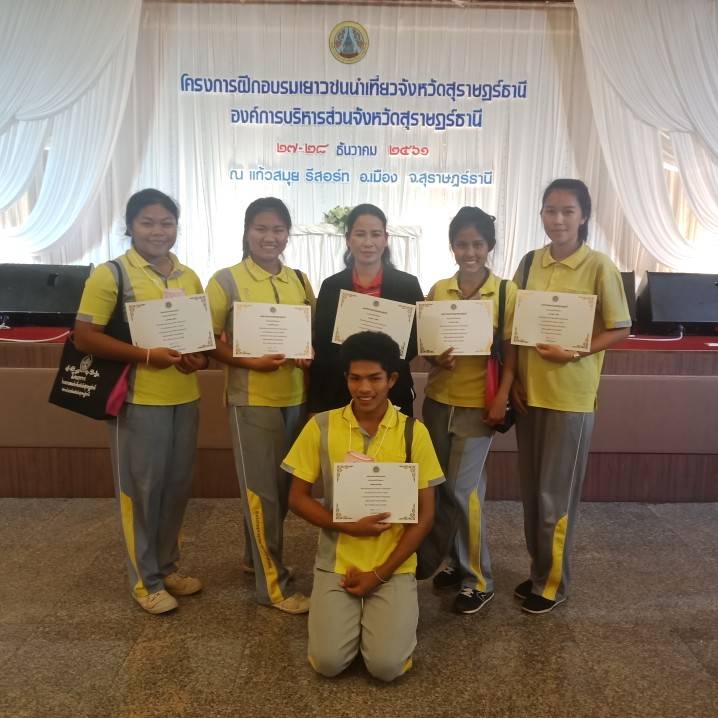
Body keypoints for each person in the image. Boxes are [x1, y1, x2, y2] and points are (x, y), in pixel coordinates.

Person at [74, 188, 207, 614]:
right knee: (141, 491)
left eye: (166, 222)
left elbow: (198, 339)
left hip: (184, 397)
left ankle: (166, 567)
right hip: (137, 400)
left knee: (176, 488)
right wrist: (146, 356)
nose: (158, 231)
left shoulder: (189, 276)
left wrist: (197, 359)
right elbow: (84, 337)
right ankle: (143, 580)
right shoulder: (111, 274)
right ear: (130, 226)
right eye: (147, 222)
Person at [284, 331, 444, 682]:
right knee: (327, 663)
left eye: (375, 378)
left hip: (393, 564)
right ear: (346, 379)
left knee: (386, 667)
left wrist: (380, 574)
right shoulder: (321, 426)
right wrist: (346, 526)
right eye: (355, 378)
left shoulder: (414, 432)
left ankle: (381, 618)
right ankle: (353, 621)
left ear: (392, 380)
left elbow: (426, 514)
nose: (364, 388)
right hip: (337, 562)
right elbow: (297, 497)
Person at [511, 179, 631, 614]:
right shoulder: (529, 263)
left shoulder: (599, 266)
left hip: (571, 399)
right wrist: (514, 380)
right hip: (530, 396)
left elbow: (620, 328)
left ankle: (553, 584)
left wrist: (575, 352)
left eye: (567, 211)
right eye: (550, 210)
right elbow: (515, 327)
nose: (558, 219)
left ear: (583, 216)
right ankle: (539, 571)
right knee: (532, 495)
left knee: (555, 498)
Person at [206, 197, 315, 614]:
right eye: (261, 229)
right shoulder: (226, 280)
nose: (270, 237)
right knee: (262, 493)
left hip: (294, 399)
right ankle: (273, 588)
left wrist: (306, 355)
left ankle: (255, 559)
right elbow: (207, 339)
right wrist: (247, 361)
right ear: (247, 231)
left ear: (288, 234)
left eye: (278, 230)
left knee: (283, 491)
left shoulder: (299, 280)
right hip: (251, 400)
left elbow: (308, 335)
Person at [421, 207, 517, 614]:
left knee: (465, 491)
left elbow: (512, 354)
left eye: (477, 244)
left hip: (478, 406)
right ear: (452, 247)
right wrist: (435, 358)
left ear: (489, 246)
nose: (470, 252)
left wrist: (501, 397)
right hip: (438, 401)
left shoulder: (506, 292)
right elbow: (427, 348)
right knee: (443, 487)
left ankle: (479, 579)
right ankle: (454, 561)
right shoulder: (439, 289)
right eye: (462, 244)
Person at [308, 204, 424, 416]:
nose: (368, 242)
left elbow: (415, 340)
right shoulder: (332, 286)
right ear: (348, 239)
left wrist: (381, 363)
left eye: (376, 234)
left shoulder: (407, 285)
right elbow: (323, 348)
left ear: (385, 239)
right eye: (360, 234)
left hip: (392, 388)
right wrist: (315, 404)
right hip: (341, 390)